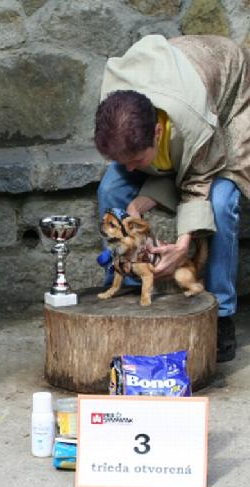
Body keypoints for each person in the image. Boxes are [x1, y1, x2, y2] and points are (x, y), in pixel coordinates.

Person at [95, 34, 249, 362]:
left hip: (226, 103)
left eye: (136, 160)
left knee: (221, 201)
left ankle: (220, 313)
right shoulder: (115, 107)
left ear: (157, 132)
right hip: (172, 85)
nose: (132, 168)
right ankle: (129, 288)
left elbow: (197, 178)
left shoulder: (193, 121)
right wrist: (136, 205)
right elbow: (145, 166)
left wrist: (182, 246)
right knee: (112, 188)